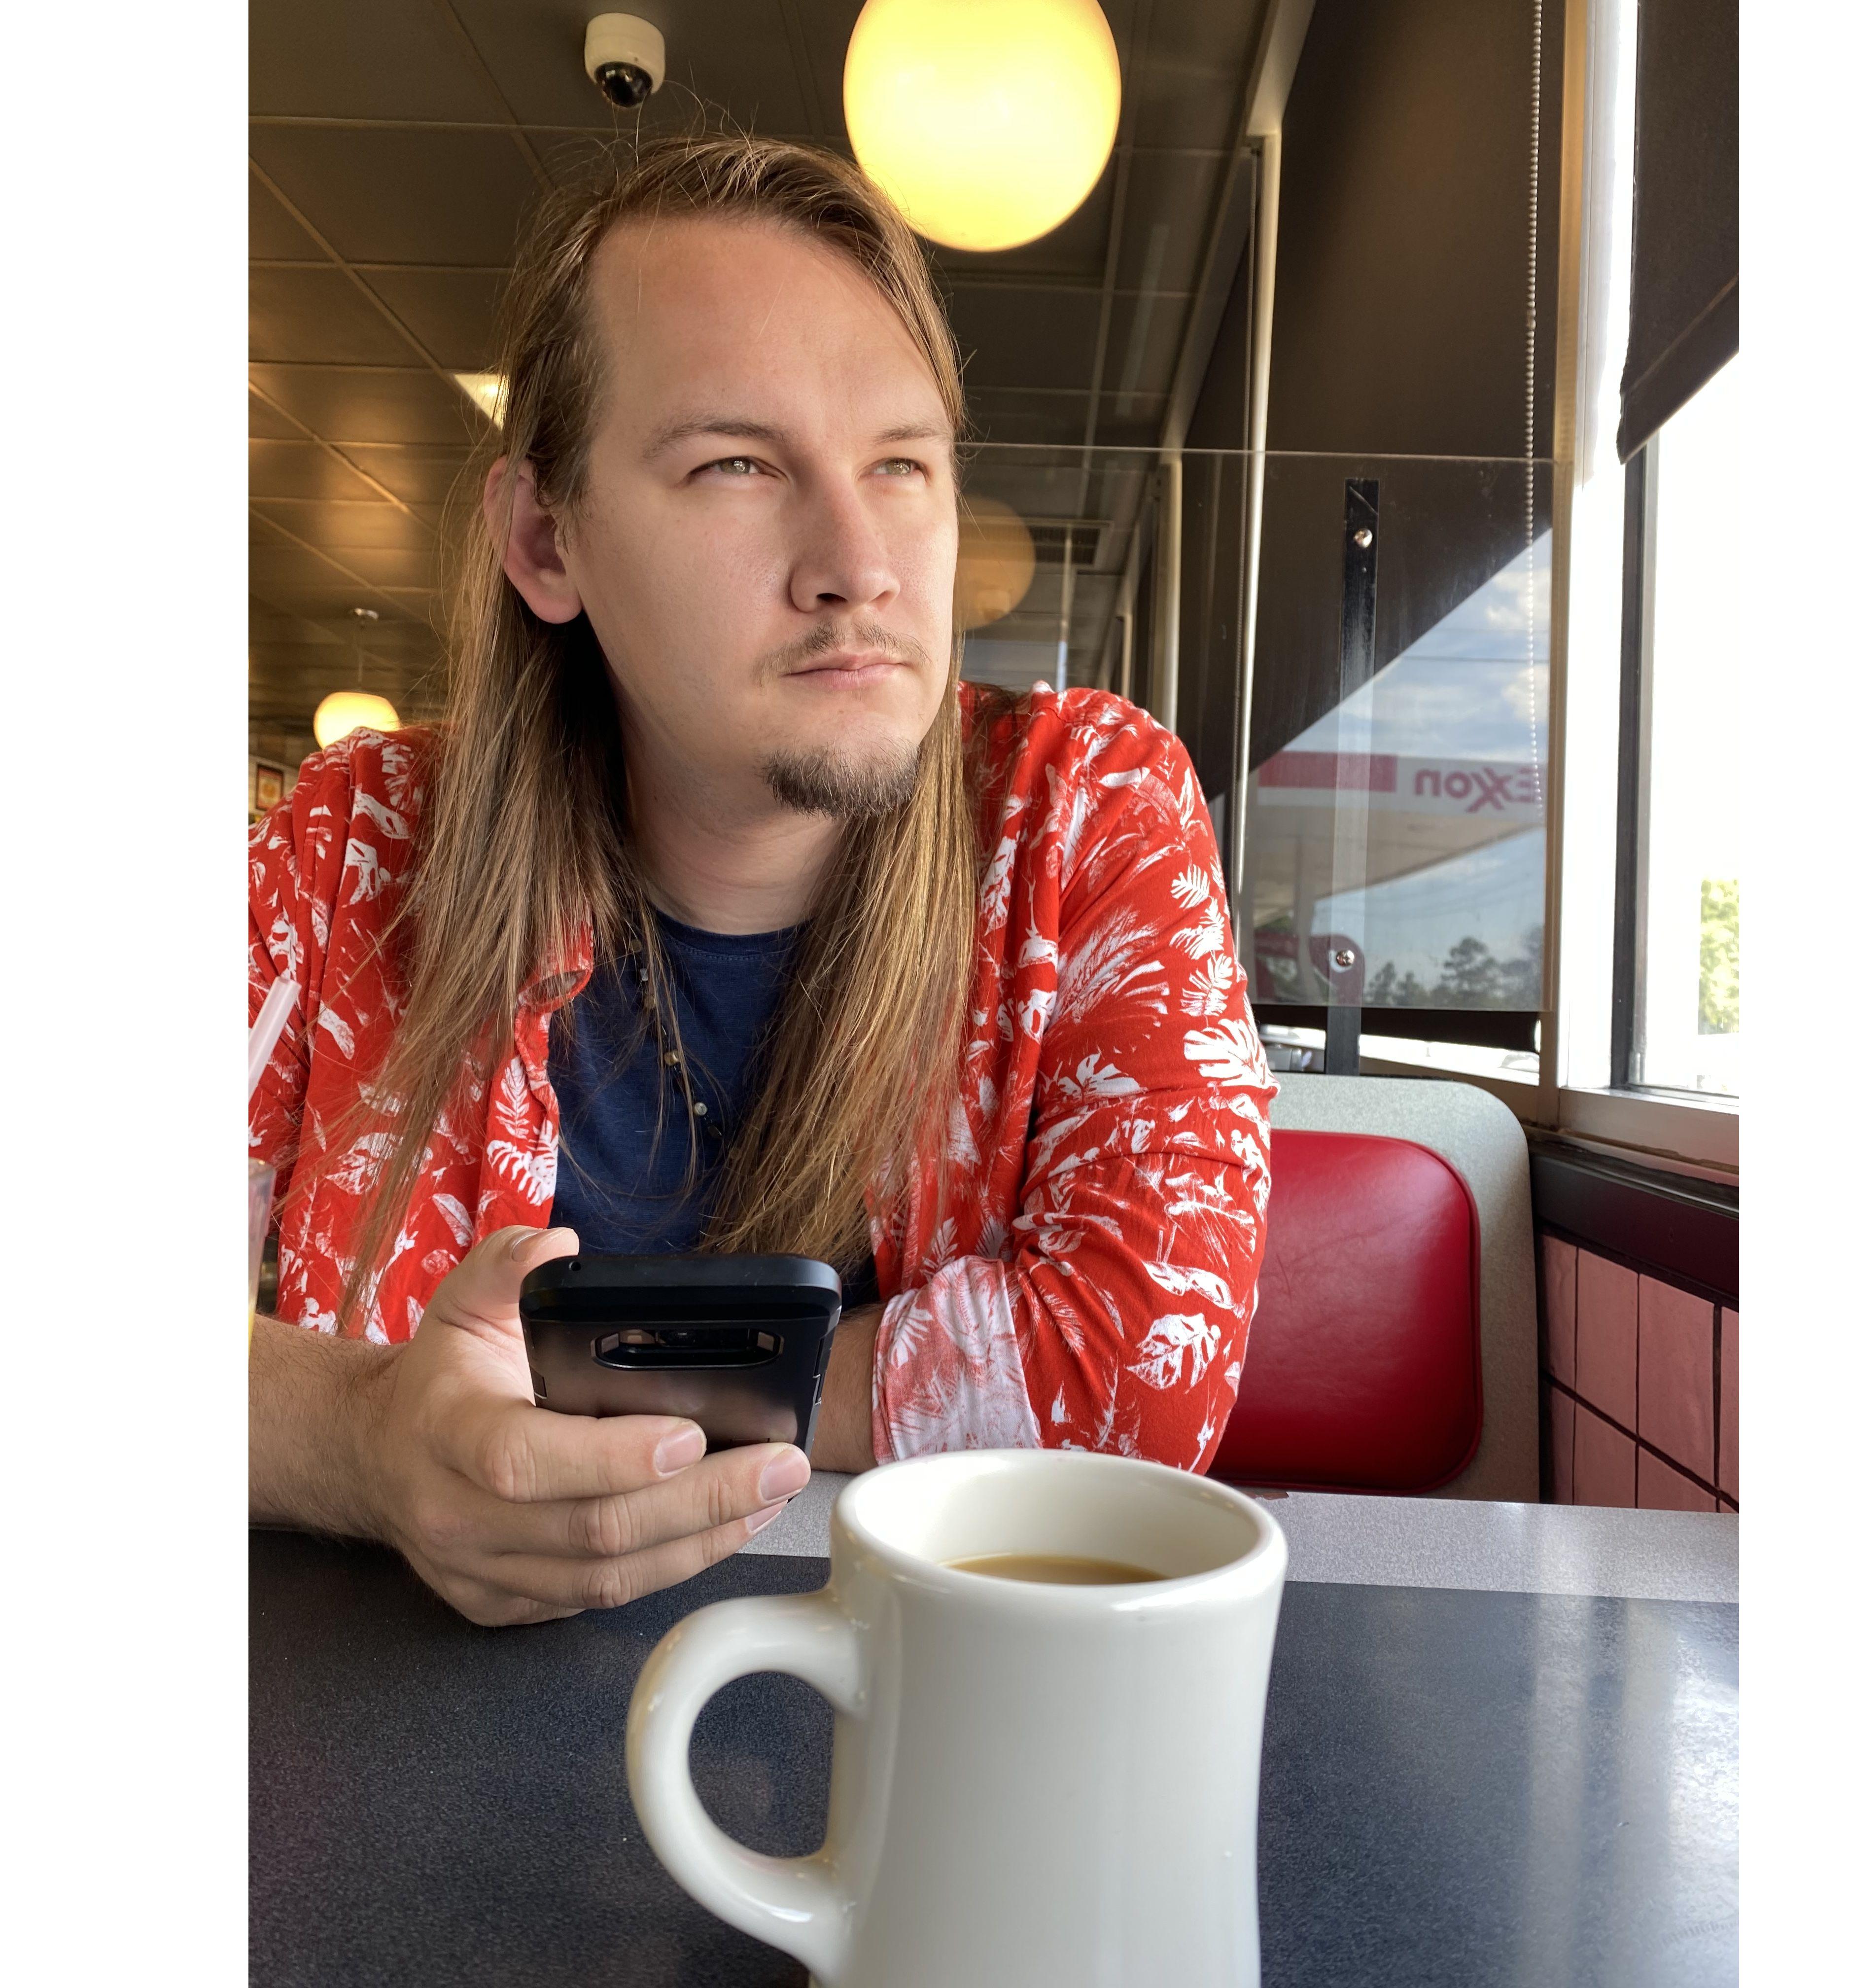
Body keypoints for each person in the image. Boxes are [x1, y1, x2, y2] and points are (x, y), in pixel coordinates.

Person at [249, 134, 1274, 1627]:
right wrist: (368, 1442)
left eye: (902, 464)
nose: (857, 563)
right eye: (737, 464)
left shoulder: (1081, 819)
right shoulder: (355, 850)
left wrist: (601, 1411)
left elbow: (1137, 1367)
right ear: (545, 539)